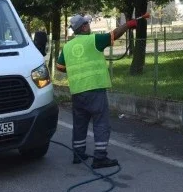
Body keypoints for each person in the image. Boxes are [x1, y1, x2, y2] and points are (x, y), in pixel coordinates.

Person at [55, 13, 141, 169]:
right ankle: (100, 157)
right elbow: (114, 34)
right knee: (101, 123)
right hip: (94, 90)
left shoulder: (67, 47)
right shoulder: (93, 40)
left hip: (77, 92)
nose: (89, 26)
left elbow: (60, 68)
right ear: (83, 27)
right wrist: (128, 25)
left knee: (80, 124)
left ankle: (78, 154)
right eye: (87, 24)